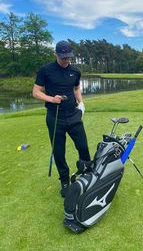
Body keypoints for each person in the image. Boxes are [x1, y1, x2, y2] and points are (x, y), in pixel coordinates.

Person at [32, 40, 91, 197]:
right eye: (63, 57)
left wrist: (82, 104)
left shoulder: (75, 71)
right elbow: (36, 92)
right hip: (55, 116)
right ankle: (64, 180)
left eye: (68, 57)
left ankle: (86, 173)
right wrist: (51, 99)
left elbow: (77, 88)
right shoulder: (46, 70)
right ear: (56, 54)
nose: (66, 60)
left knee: (83, 146)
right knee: (59, 151)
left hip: (73, 114)